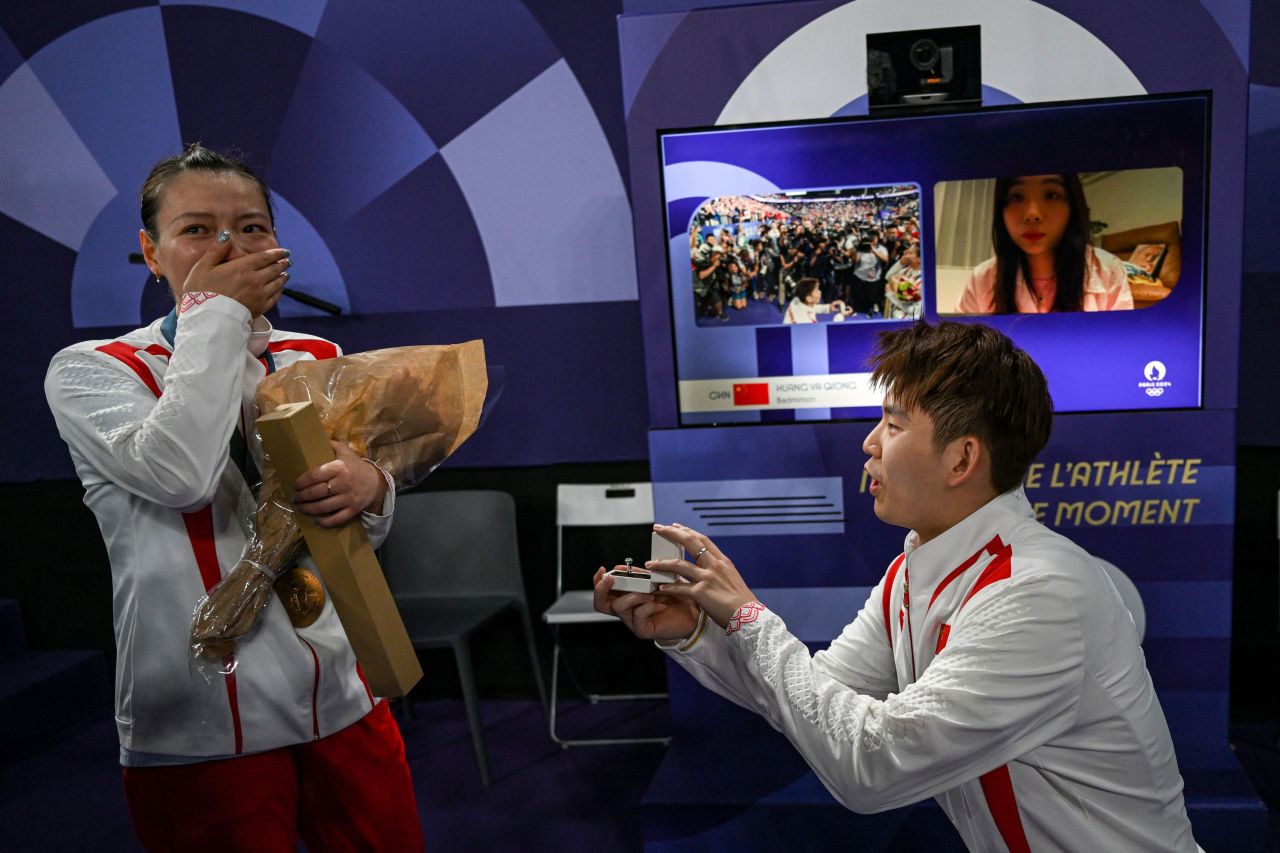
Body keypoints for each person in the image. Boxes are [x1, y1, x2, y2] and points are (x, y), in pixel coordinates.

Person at [593, 322, 1198, 852]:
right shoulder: (918, 567)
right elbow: (814, 701)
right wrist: (700, 633)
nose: (870, 443)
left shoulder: (1038, 595)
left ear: (961, 460)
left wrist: (749, 619)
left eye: (893, 423)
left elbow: (872, 768)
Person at [45, 144, 423, 851]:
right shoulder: (93, 371)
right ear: (150, 253)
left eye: (251, 228)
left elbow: (346, 532)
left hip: (341, 696)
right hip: (200, 726)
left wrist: (372, 491)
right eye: (197, 230)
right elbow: (180, 474)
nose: (227, 246)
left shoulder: (314, 355)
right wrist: (214, 310)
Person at [957, 174, 1133, 314]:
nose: (1032, 214)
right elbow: (962, 351)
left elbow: (1122, 348)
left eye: (1051, 195)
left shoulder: (1109, 271)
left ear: (1072, 204)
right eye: (1017, 197)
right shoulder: (982, 279)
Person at [782, 277, 847, 324]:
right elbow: (830, 334)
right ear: (808, 298)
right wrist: (841, 316)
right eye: (816, 290)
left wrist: (828, 307)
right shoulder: (808, 322)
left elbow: (812, 307)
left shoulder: (796, 301)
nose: (820, 292)